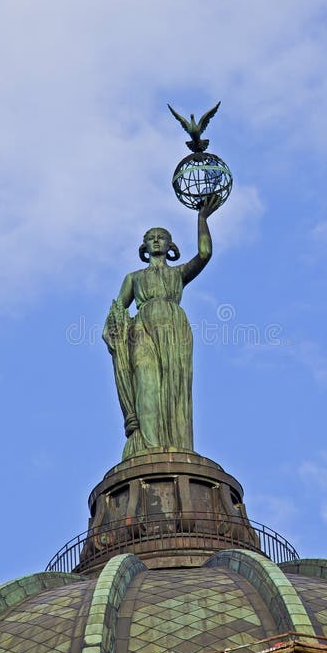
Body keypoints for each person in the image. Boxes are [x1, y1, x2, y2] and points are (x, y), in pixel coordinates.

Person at [103, 195, 221, 459]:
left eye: (161, 236)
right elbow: (115, 314)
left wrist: (201, 219)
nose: (156, 239)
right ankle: (147, 445)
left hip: (174, 328)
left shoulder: (177, 274)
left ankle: (174, 446)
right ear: (144, 246)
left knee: (174, 389)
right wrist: (112, 333)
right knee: (146, 384)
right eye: (151, 237)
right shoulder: (133, 278)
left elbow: (205, 254)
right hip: (140, 329)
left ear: (170, 246)